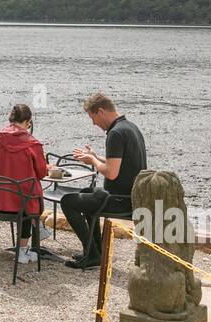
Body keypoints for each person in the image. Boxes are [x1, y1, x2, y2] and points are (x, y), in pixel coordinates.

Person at [63, 93, 148, 270]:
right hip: (130, 197)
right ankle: (95, 252)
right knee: (85, 193)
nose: (94, 124)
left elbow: (111, 172)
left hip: (119, 200)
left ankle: (93, 254)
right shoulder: (130, 127)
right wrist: (95, 156)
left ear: (101, 111)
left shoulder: (115, 133)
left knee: (68, 201)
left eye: (92, 118)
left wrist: (93, 162)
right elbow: (118, 163)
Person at [0, 104, 48, 265]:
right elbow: (42, 173)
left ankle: (38, 228)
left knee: (24, 196)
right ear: (28, 122)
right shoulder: (33, 144)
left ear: (10, 119)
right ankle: (23, 249)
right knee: (28, 200)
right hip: (20, 207)